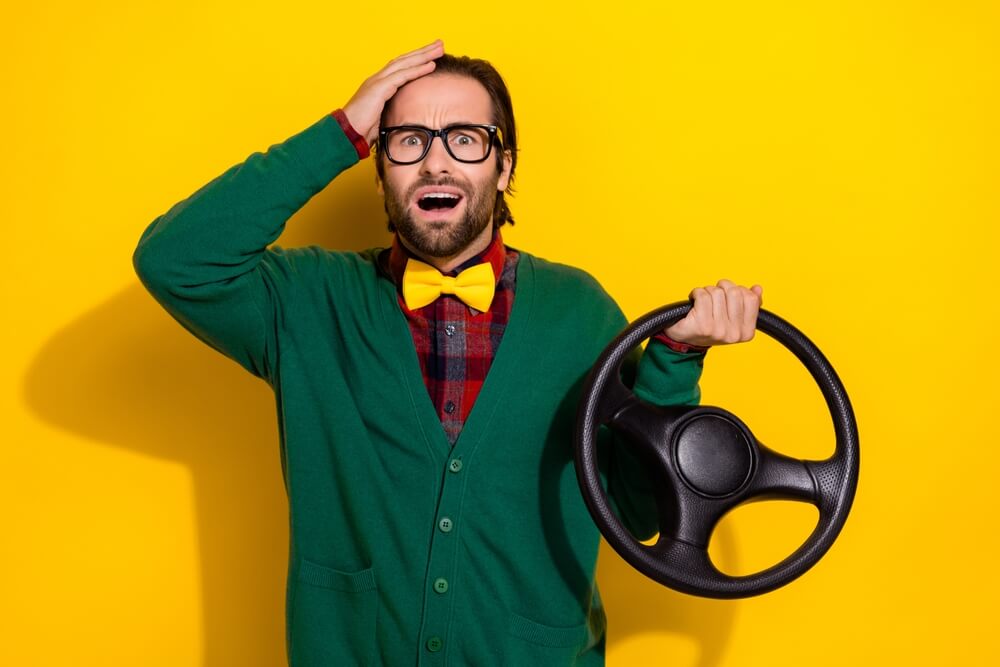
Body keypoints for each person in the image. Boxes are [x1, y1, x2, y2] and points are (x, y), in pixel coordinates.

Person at [133, 40, 763, 667]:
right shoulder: (307, 302)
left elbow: (636, 511)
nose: (436, 163)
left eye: (465, 139)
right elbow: (173, 260)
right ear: (379, 167)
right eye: (409, 141)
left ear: (504, 167)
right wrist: (343, 130)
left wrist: (675, 358)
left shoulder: (581, 313)